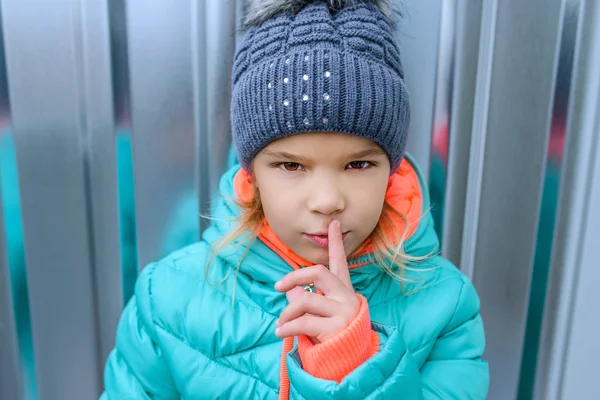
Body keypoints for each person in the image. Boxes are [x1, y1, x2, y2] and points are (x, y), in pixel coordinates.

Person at [101, 1, 489, 398]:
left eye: (357, 165)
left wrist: (358, 366)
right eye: (291, 166)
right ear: (252, 173)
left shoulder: (445, 309)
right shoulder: (167, 300)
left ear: (390, 170)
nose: (326, 200)